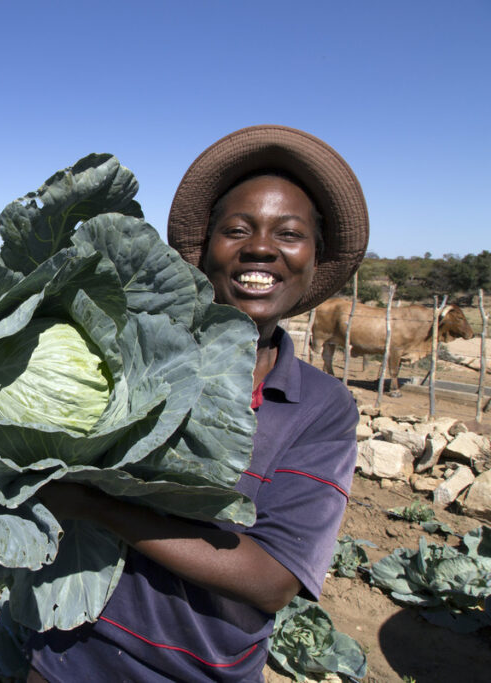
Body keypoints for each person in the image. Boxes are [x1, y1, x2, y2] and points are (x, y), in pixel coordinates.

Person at [27, 125, 370, 682]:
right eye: (237, 230)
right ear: (206, 248)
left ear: (315, 256)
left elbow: (274, 579)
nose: (260, 247)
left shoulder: (322, 408)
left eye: (289, 233)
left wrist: (92, 504)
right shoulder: (123, 347)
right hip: (68, 654)